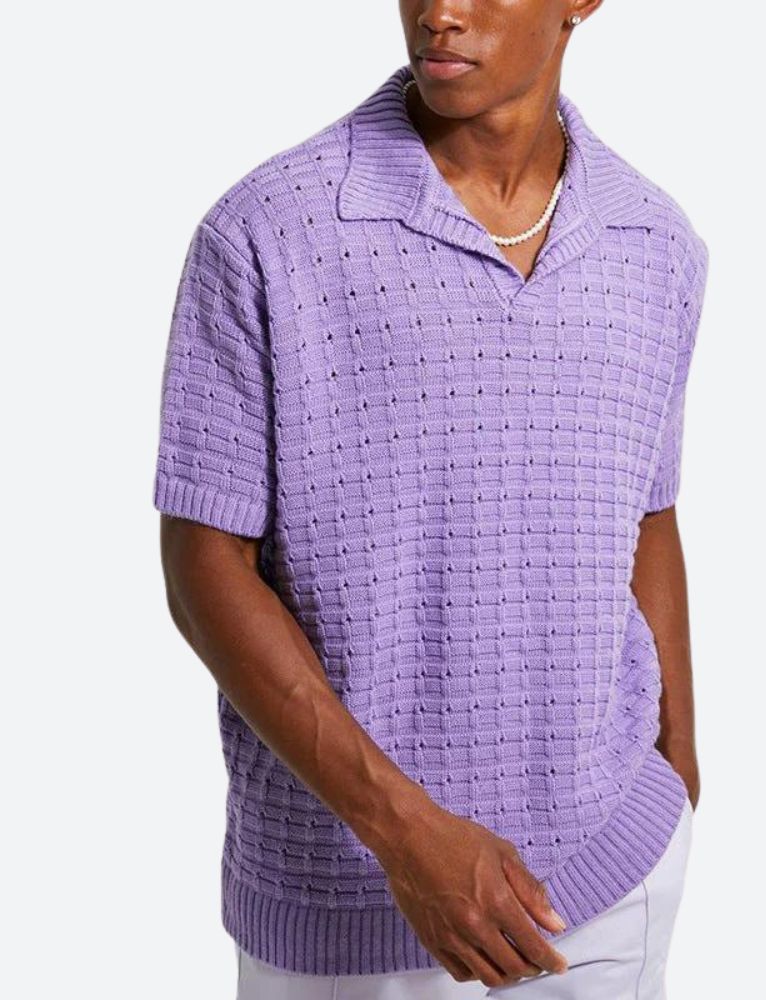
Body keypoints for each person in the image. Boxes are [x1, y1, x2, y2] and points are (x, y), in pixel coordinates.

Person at [153, 3, 709, 997]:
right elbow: (205, 566)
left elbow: (646, 511)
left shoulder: (654, 241)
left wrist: (679, 769)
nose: (438, 11)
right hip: (348, 902)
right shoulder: (267, 230)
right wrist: (404, 835)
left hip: (607, 883)